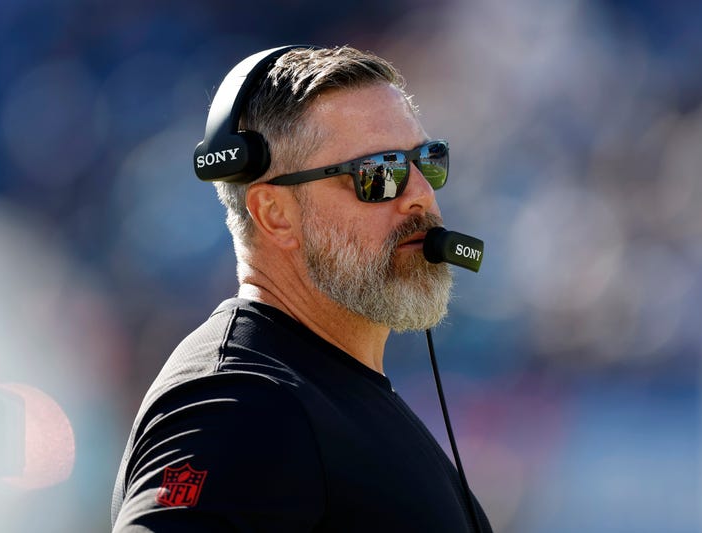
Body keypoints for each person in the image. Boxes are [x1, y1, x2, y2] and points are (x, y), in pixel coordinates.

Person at [111, 44, 492, 532]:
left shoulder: (318, 393)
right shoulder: (242, 402)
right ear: (275, 214)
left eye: (427, 161)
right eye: (380, 172)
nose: (422, 196)